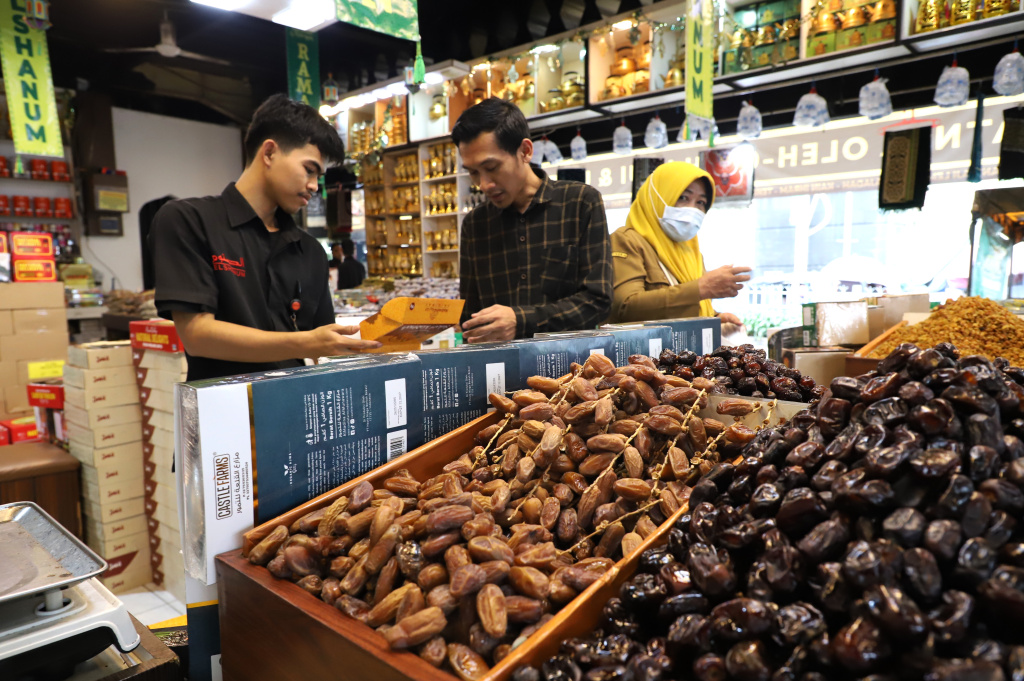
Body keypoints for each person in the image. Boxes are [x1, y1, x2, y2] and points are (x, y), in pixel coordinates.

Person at [150, 94, 380, 382]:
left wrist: (383, 342)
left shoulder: (310, 251)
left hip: (298, 412)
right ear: (269, 152)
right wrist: (305, 342)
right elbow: (197, 335)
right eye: (309, 170)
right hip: (225, 415)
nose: (313, 186)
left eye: (318, 176)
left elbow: (325, 346)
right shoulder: (189, 220)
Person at [454, 98, 612, 342]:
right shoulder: (476, 225)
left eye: (492, 167)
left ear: (525, 151)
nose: (484, 184)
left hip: (572, 369)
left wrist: (521, 320)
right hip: (500, 372)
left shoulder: (580, 202)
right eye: (473, 172)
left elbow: (598, 301)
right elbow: (470, 316)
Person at [608, 162, 750, 327]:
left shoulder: (691, 252)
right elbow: (624, 308)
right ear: (657, 198)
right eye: (683, 198)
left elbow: (683, 306)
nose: (692, 209)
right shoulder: (627, 241)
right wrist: (701, 288)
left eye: (700, 202)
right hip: (640, 352)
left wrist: (714, 317)